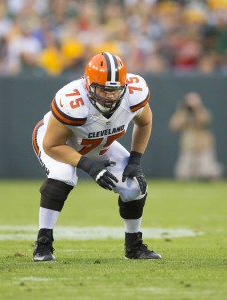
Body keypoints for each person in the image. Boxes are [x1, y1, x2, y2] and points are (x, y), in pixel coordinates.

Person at [32, 52, 161, 261]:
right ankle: (43, 244)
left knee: (134, 185)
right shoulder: (72, 101)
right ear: (89, 85)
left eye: (115, 90)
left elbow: (145, 122)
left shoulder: (134, 94)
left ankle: (134, 246)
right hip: (58, 142)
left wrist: (136, 160)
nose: (110, 96)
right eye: (103, 89)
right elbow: (52, 145)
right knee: (63, 174)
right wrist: (89, 166)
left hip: (99, 143)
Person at [169, 92, 223, 180]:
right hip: (188, 147)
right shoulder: (184, 114)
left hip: (203, 147)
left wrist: (196, 108)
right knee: (182, 174)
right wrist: (181, 111)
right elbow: (173, 126)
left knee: (206, 173)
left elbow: (203, 121)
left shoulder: (203, 112)